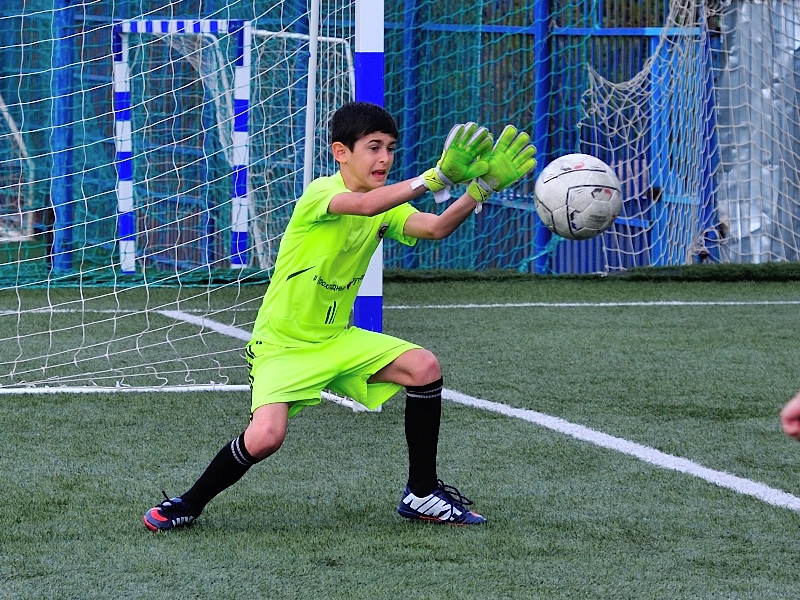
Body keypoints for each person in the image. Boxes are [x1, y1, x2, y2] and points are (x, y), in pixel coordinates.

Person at [143, 101, 536, 531]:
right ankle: (188, 504)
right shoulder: (321, 193)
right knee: (265, 438)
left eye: (390, 147)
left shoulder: (387, 204)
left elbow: (436, 228)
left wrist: (481, 189)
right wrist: (436, 178)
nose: (384, 158)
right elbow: (365, 207)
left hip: (337, 339)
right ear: (340, 152)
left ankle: (422, 493)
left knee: (423, 366)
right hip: (283, 346)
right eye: (373, 147)